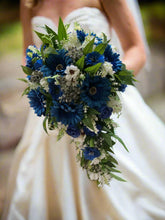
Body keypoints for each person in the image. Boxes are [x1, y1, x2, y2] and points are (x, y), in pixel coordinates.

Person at [2, 0, 165, 219]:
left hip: (105, 101)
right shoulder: (30, 2)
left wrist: (103, 86)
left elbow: (136, 49)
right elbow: (28, 54)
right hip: (53, 112)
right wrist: (48, 89)